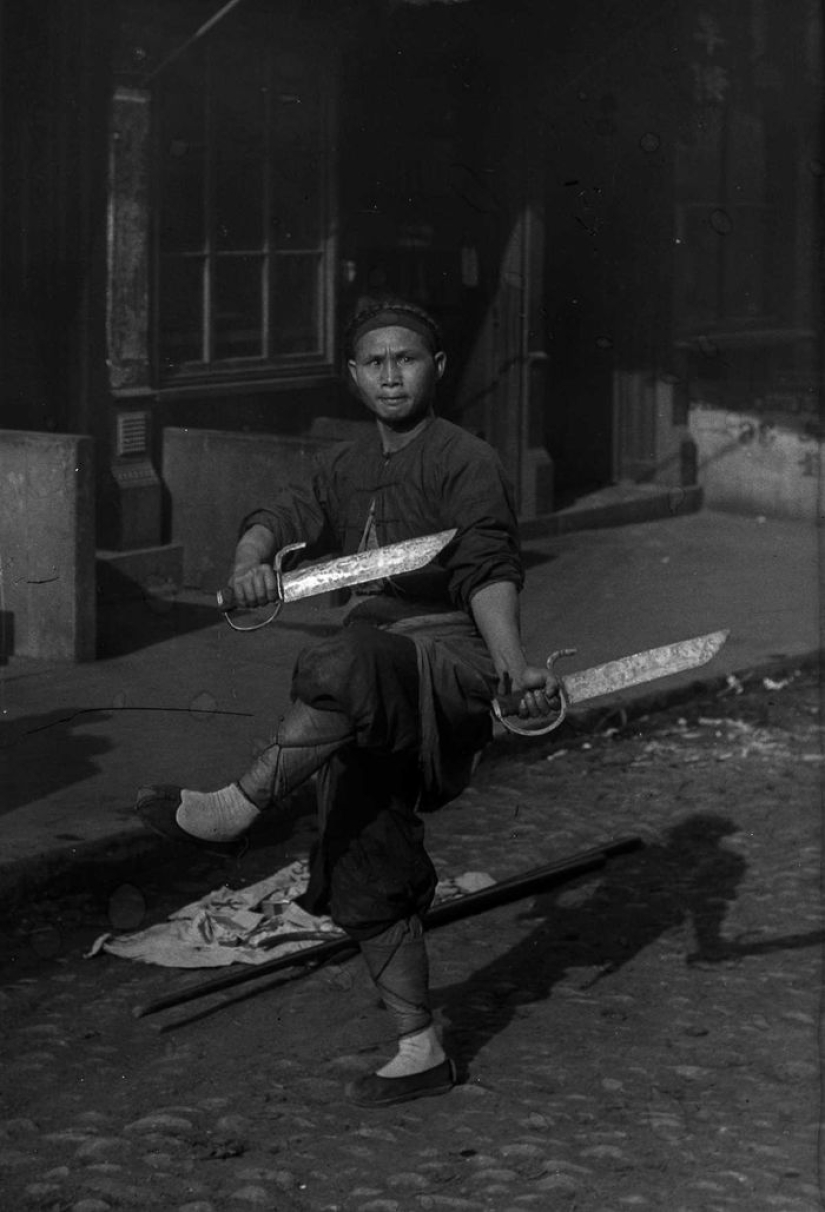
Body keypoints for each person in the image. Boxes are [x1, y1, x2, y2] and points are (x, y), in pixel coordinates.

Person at [136, 298, 557, 1107]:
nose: (391, 375)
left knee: (345, 653)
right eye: (374, 362)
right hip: (359, 687)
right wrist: (251, 561)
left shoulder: (466, 459)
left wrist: (510, 670)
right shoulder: (342, 463)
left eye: (407, 359)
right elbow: (280, 514)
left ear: (436, 368)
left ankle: (236, 808)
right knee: (362, 851)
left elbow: (489, 569)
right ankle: (420, 1048)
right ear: (355, 376)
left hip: (445, 663)